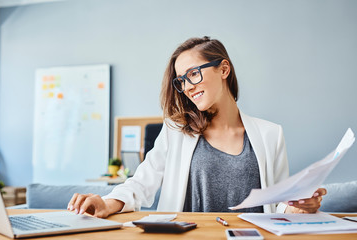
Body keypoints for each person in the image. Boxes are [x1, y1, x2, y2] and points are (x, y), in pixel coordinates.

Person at [68, 36, 326, 218]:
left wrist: (298, 206)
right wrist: (107, 203)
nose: (188, 87)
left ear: (223, 69)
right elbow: (141, 183)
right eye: (181, 80)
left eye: (193, 73)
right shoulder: (176, 130)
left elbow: (278, 203)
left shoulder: (271, 134)